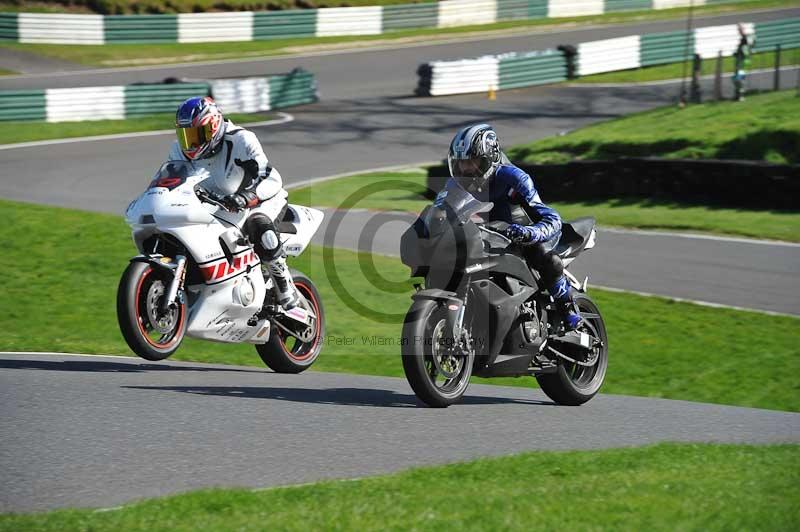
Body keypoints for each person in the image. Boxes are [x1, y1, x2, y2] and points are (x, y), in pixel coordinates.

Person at [167, 96, 299, 309]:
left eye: (197, 135)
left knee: (259, 225)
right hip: (217, 205)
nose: (191, 143)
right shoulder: (179, 150)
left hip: (258, 200)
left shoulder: (241, 140)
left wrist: (246, 197)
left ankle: (283, 283)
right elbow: (173, 178)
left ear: (214, 125)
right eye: (186, 136)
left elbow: (269, 176)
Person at [446, 123, 581, 329]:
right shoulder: (456, 184)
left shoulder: (514, 177)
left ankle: (567, 307)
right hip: (489, 237)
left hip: (526, 235)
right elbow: (440, 211)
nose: (466, 169)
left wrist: (530, 232)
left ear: (489, 157)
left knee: (543, 255)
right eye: (461, 163)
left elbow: (552, 217)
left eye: (472, 162)